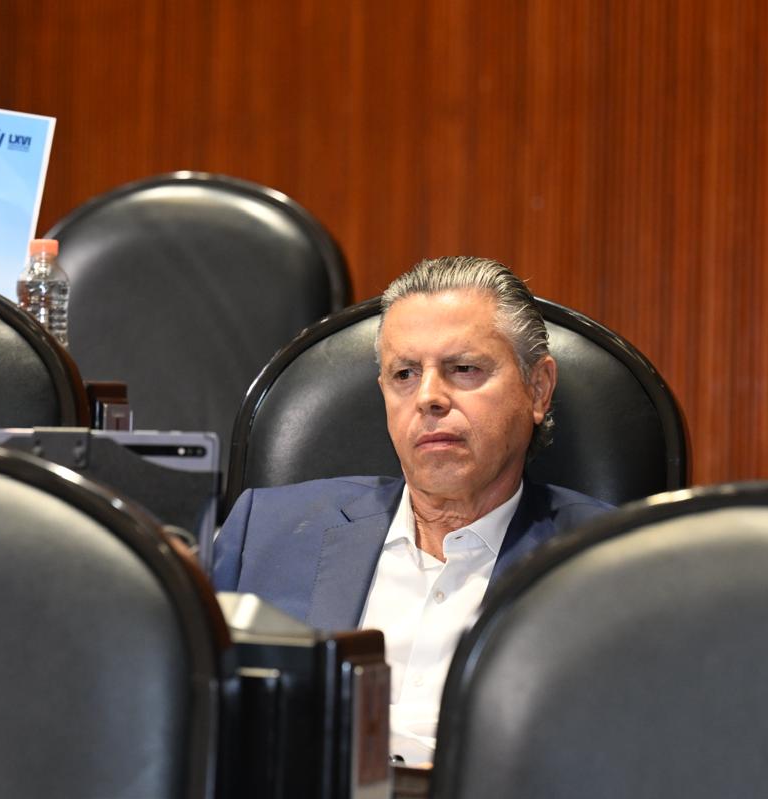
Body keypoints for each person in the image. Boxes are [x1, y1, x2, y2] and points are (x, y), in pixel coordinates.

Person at [211, 256, 612, 764]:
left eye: (463, 369)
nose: (428, 398)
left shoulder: (609, 565)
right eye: (404, 374)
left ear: (538, 389)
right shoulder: (265, 532)